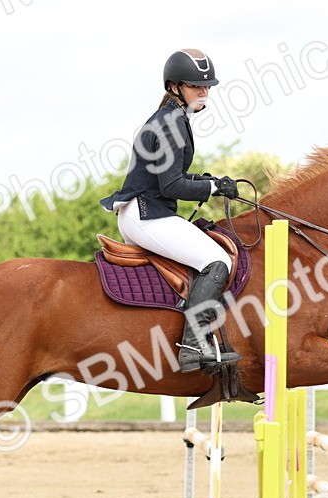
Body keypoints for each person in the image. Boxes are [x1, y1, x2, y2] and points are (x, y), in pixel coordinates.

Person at [101, 48, 241, 374]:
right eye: (196, 85)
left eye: (207, 86)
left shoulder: (172, 119)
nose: (204, 91)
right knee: (216, 261)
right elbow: (171, 187)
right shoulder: (172, 123)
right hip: (148, 215)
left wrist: (210, 181)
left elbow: (171, 178)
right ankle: (194, 345)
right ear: (175, 87)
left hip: (147, 211)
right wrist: (212, 188)